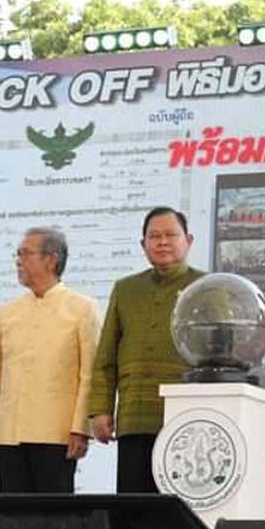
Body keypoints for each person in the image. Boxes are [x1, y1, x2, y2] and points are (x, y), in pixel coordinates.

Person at [88, 207, 205, 492]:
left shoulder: (207, 287)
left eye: (170, 235)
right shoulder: (125, 289)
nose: (162, 242)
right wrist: (100, 411)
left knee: (177, 506)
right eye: (154, 236)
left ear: (188, 240)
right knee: (132, 510)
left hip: (185, 420)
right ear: (143, 245)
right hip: (133, 418)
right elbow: (106, 358)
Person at [0, 228, 99, 493]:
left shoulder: (82, 308)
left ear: (51, 259)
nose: (18, 261)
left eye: (25, 253)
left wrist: (81, 428)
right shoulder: (8, 312)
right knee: (11, 517)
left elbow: (88, 375)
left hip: (56, 434)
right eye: (17, 254)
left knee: (52, 518)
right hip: (9, 432)